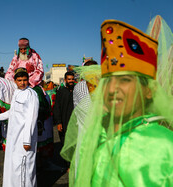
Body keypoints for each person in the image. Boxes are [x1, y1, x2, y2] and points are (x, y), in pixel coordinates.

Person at [68, 20, 173, 186]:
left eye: (124, 80)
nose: (113, 89)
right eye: (108, 81)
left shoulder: (165, 146)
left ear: (149, 91)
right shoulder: (99, 138)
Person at [0, 68, 39, 187]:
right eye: (19, 80)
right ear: (15, 81)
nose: (22, 83)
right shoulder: (17, 92)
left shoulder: (31, 94)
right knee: (13, 166)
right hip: (14, 138)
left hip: (24, 139)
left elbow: (31, 119)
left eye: (24, 80)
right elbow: (12, 112)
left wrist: (27, 140)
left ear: (28, 80)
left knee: (23, 168)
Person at [53, 72, 75, 145]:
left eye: (72, 79)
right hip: (64, 123)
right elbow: (57, 108)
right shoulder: (61, 92)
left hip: (75, 123)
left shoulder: (77, 91)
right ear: (65, 80)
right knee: (65, 143)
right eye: (69, 79)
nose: (71, 81)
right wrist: (59, 122)